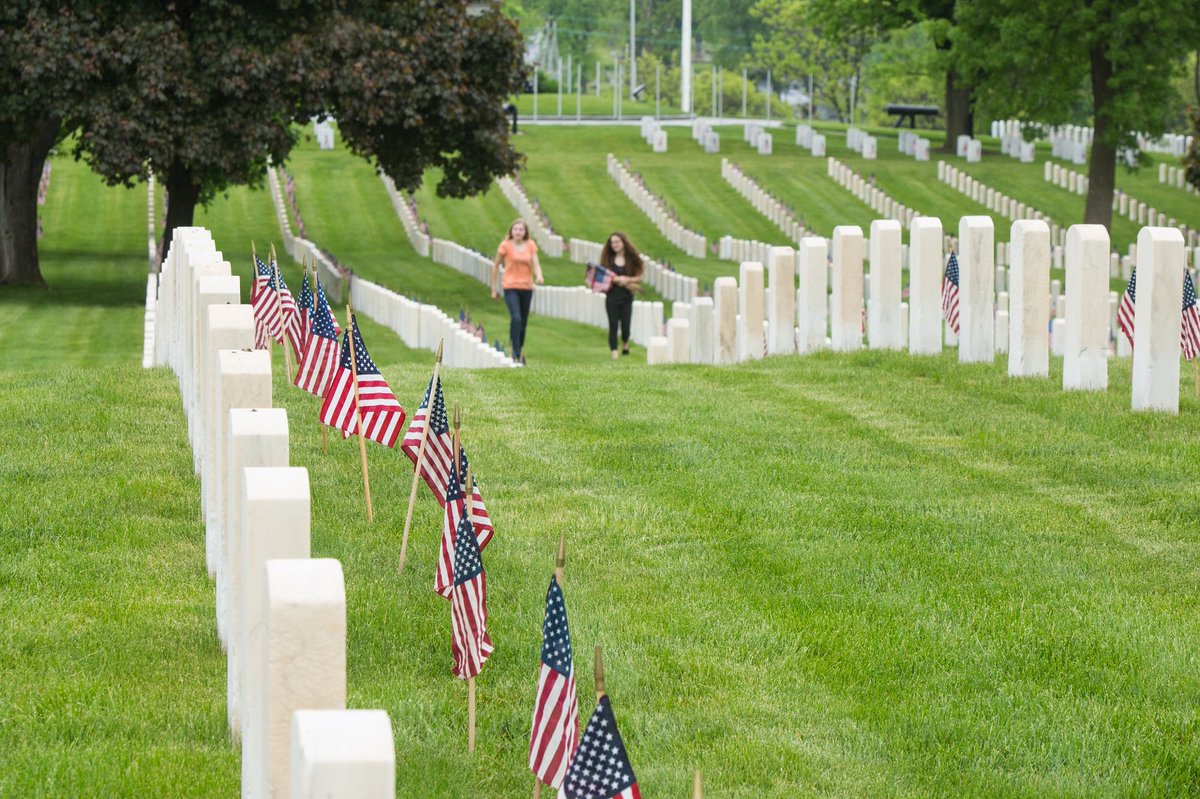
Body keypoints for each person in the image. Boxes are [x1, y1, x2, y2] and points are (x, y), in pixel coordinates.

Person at [491, 218, 544, 363]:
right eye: (515, 229)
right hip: (510, 286)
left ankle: (518, 349)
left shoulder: (530, 245)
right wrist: (494, 289)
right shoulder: (505, 245)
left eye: (521, 229)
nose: (518, 232)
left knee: (523, 321)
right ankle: (515, 352)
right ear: (511, 231)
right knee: (516, 318)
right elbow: (495, 266)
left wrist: (539, 275)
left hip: (526, 287)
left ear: (525, 232)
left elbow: (536, 263)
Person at [599, 232, 643, 359]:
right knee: (613, 324)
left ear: (623, 242)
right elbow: (602, 276)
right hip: (612, 297)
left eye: (617, 241)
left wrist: (627, 280)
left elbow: (639, 278)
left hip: (627, 297)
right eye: (612, 242)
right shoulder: (608, 259)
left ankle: (625, 343)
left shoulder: (632, 259)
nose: (615, 244)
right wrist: (614, 280)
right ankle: (614, 353)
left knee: (625, 326)